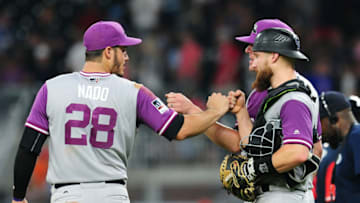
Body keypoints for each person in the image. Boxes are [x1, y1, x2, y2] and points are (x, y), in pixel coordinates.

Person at [11, 21, 230, 203]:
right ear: (108, 52)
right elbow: (178, 130)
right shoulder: (133, 91)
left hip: (68, 195)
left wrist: (18, 197)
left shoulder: (52, 88)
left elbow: (28, 148)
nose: (127, 57)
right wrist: (214, 112)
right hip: (111, 194)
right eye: (123, 50)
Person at [167, 24, 321, 202]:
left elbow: (301, 152)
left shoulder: (295, 96)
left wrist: (253, 168)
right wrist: (240, 113)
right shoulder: (263, 92)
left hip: (287, 192)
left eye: (256, 47)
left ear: (274, 54)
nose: (248, 50)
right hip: (271, 192)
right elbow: (248, 146)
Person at [315, 91, 360, 203]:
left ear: (334, 119)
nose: (318, 131)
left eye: (320, 123)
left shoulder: (357, 136)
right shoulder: (338, 147)